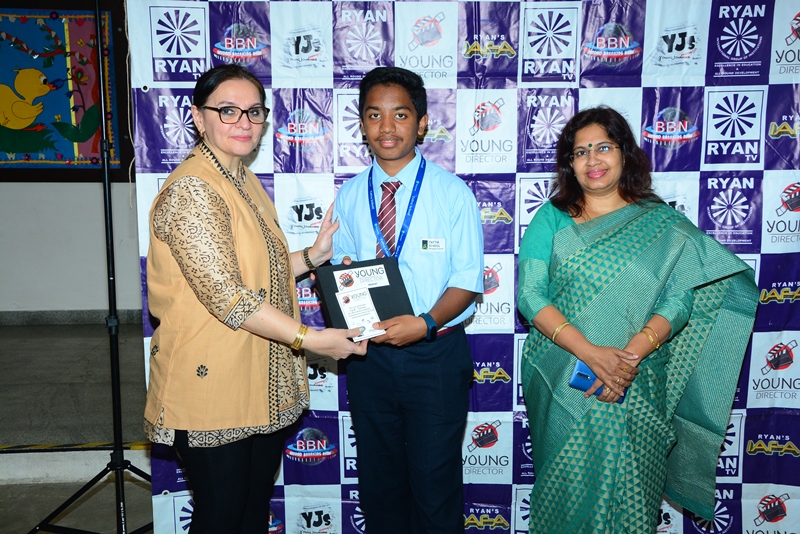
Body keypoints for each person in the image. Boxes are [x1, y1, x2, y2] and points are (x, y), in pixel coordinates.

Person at [144, 64, 366, 534]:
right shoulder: (193, 189)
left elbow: (258, 276)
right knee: (222, 517)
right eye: (228, 111)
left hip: (256, 381)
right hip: (212, 386)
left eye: (254, 111)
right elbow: (226, 295)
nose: (244, 122)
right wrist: (312, 339)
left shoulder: (241, 178)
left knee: (249, 514)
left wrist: (312, 255)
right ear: (198, 118)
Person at [517, 106, 758, 533]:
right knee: (566, 497)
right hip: (564, 379)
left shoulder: (663, 223)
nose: (592, 160)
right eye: (580, 152)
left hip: (638, 378)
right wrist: (593, 355)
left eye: (603, 147)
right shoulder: (551, 217)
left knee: (633, 501)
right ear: (570, 164)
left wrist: (625, 361)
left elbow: (679, 301)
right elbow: (531, 295)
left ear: (624, 153)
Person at [331, 66, 484, 533]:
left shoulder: (453, 193)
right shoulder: (350, 195)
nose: (387, 126)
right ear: (362, 124)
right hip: (369, 359)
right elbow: (341, 271)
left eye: (400, 114)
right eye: (374, 115)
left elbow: (468, 280)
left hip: (435, 355)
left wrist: (426, 322)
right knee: (379, 486)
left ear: (421, 123)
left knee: (435, 485)